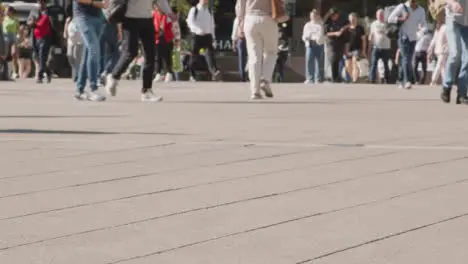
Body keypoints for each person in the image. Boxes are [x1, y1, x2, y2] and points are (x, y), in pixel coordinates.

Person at [104, 0, 175, 102]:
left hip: (147, 18)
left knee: (150, 54)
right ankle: (114, 76)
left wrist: (169, 12)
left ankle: (146, 91)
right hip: (130, 19)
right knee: (130, 52)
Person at [236, 0, 278, 99]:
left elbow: (240, 4)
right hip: (268, 18)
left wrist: (240, 21)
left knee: (254, 56)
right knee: (271, 52)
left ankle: (255, 90)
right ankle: (265, 79)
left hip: (250, 19)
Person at [388, 0, 427, 89]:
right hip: (403, 37)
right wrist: (402, 19)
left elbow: (424, 23)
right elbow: (390, 18)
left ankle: (400, 79)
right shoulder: (402, 7)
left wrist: (422, 31)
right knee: (407, 58)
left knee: (405, 59)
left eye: (415, 1)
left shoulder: (421, 10)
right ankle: (407, 81)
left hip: (414, 37)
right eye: (411, 1)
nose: (413, 3)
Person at [441, 0, 468, 104]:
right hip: (453, 19)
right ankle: (446, 86)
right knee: (455, 54)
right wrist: (452, 3)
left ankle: (462, 93)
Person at [186, 0, 220, 82]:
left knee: (210, 54)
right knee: (194, 56)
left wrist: (213, 37)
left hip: (207, 35)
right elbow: (189, 22)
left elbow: (212, 25)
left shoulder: (209, 11)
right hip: (197, 35)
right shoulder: (194, 9)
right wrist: (197, 30)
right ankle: (192, 75)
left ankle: (214, 71)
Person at [28, 0, 54, 84]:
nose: (41, 3)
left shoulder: (50, 12)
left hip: (46, 37)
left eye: (43, 2)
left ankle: (40, 76)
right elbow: (28, 21)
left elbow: (55, 24)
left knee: (42, 55)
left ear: (46, 3)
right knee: (37, 57)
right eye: (39, 2)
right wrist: (32, 23)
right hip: (36, 37)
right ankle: (48, 71)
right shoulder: (34, 11)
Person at [324, 8, 349, 83]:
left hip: (340, 43)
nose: (335, 17)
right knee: (333, 59)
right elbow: (326, 33)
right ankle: (334, 77)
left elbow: (347, 26)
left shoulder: (341, 21)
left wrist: (343, 30)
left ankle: (337, 77)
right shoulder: (328, 22)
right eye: (333, 15)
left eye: (336, 15)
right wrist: (335, 33)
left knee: (338, 59)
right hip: (331, 43)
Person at [153, 4, 175, 83]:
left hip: (166, 38)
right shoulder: (154, 14)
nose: (158, 8)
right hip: (157, 38)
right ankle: (158, 73)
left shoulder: (167, 15)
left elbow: (171, 26)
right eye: (156, 6)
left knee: (167, 56)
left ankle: (168, 73)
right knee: (157, 57)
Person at [369, 9, 391, 84]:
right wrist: (370, 44)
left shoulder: (387, 24)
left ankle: (387, 79)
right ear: (376, 16)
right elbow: (371, 35)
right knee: (373, 63)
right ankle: (372, 79)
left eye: (381, 15)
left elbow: (390, 33)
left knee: (386, 64)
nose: (380, 16)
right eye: (379, 15)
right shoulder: (374, 24)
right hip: (376, 47)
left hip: (386, 47)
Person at [302, 9, 324, 84]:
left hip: (318, 44)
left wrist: (317, 38)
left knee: (319, 62)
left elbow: (321, 34)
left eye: (314, 16)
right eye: (311, 16)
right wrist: (306, 38)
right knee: (309, 61)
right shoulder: (307, 25)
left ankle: (318, 79)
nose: (313, 17)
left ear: (317, 16)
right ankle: (310, 78)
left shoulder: (320, 24)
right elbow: (304, 35)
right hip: (310, 44)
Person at [343, 12, 366, 83]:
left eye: (354, 19)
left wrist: (364, 51)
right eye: (351, 19)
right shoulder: (346, 29)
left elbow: (364, 40)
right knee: (347, 66)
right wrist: (345, 52)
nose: (352, 20)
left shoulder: (360, 28)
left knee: (354, 62)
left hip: (357, 49)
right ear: (349, 19)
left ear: (356, 19)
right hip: (349, 50)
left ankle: (355, 80)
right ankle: (354, 77)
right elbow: (346, 42)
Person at [428, 20, 448, 86]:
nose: (437, 25)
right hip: (440, 50)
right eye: (437, 24)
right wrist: (430, 48)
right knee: (440, 65)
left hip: (443, 50)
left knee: (442, 66)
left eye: (438, 23)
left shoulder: (444, 28)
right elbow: (434, 40)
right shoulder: (438, 30)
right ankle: (434, 80)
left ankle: (444, 81)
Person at [65, 15, 83, 84]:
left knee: (76, 59)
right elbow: (66, 27)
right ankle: (76, 74)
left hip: (79, 42)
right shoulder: (69, 20)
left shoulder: (81, 20)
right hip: (70, 42)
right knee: (70, 56)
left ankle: (76, 76)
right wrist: (65, 32)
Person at [3, 6, 19, 79]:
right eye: (5, 11)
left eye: (6, 10)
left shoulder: (15, 19)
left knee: (14, 53)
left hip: (13, 37)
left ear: (10, 11)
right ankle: (4, 71)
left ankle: (15, 72)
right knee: (5, 55)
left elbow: (17, 28)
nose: (5, 12)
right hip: (5, 37)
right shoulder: (3, 19)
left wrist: (18, 35)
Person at [232, 13, 247, 82]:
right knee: (241, 59)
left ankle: (247, 74)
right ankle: (242, 76)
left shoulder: (249, 18)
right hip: (241, 39)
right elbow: (235, 30)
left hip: (249, 39)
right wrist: (234, 42)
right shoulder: (238, 19)